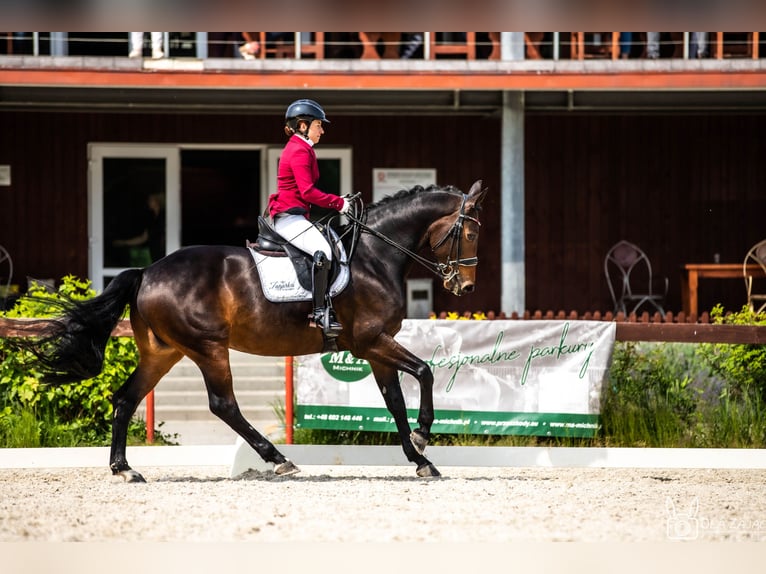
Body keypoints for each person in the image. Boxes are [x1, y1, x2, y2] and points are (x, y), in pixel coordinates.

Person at [268, 99, 350, 336]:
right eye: (318, 125)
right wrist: (339, 203)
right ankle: (319, 311)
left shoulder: (301, 148)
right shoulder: (299, 150)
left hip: (296, 216)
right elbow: (308, 192)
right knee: (323, 253)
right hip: (290, 218)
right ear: (303, 125)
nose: (322, 130)